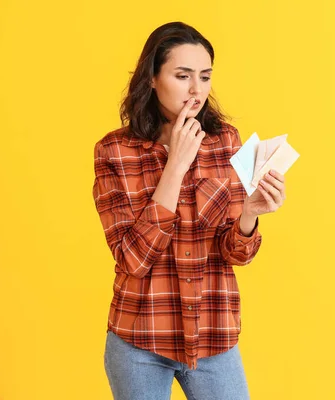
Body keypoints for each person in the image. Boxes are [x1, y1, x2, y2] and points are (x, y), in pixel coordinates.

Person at [92, 21, 287, 400]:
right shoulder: (113, 152)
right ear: (151, 78)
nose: (196, 90)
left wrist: (249, 213)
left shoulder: (226, 141)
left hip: (214, 334)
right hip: (140, 340)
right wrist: (175, 166)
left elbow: (236, 253)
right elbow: (132, 259)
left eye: (205, 76)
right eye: (182, 76)